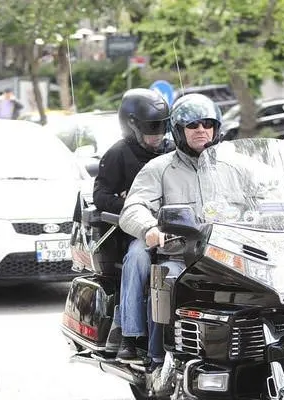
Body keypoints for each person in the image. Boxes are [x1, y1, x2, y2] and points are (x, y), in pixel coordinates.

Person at [119, 93, 222, 369]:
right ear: (178, 130)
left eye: (207, 123)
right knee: (166, 278)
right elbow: (133, 208)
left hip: (226, 256)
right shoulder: (159, 169)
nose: (201, 130)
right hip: (180, 254)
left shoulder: (231, 168)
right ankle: (155, 359)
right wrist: (149, 228)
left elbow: (268, 189)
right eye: (193, 125)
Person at [94, 88, 171, 359]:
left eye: (163, 127)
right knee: (137, 258)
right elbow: (100, 195)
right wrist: (128, 205)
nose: (158, 135)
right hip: (136, 229)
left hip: (176, 228)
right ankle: (129, 332)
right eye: (152, 128)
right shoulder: (118, 154)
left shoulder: (173, 150)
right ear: (131, 125)